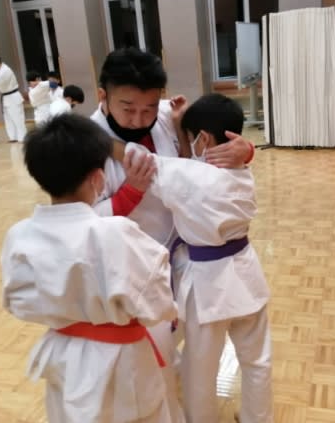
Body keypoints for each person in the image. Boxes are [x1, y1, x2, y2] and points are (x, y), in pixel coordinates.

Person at [91, 48, 254, 421]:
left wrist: (245, 151)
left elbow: (213, 143)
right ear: (103, 96)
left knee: (181, 333)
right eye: (128, 108)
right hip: (132, 264)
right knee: (151, 348)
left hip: (182, 250)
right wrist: (130, 192)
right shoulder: (85, 143)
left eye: (148, 107)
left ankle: (177, 379)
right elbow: (84, 221)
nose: (140, 118)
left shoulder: (167, 114)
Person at [0, 113, 178, 423]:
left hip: (62, 351)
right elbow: (158, 303)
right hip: (122, 357)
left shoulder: (20, 235)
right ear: (97, 178)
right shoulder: (114, 233)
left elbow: (17, 302)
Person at [117, 94, 272, 423]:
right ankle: (257, 418)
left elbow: (138, 159)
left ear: (202, 138)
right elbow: (193, 167)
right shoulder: (242, 173)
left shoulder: (188, 178)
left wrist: (86, 137)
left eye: (190, 139)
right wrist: (182, 128)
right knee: (257, 359)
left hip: (208, 286)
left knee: (199, 370)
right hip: (247, 273)